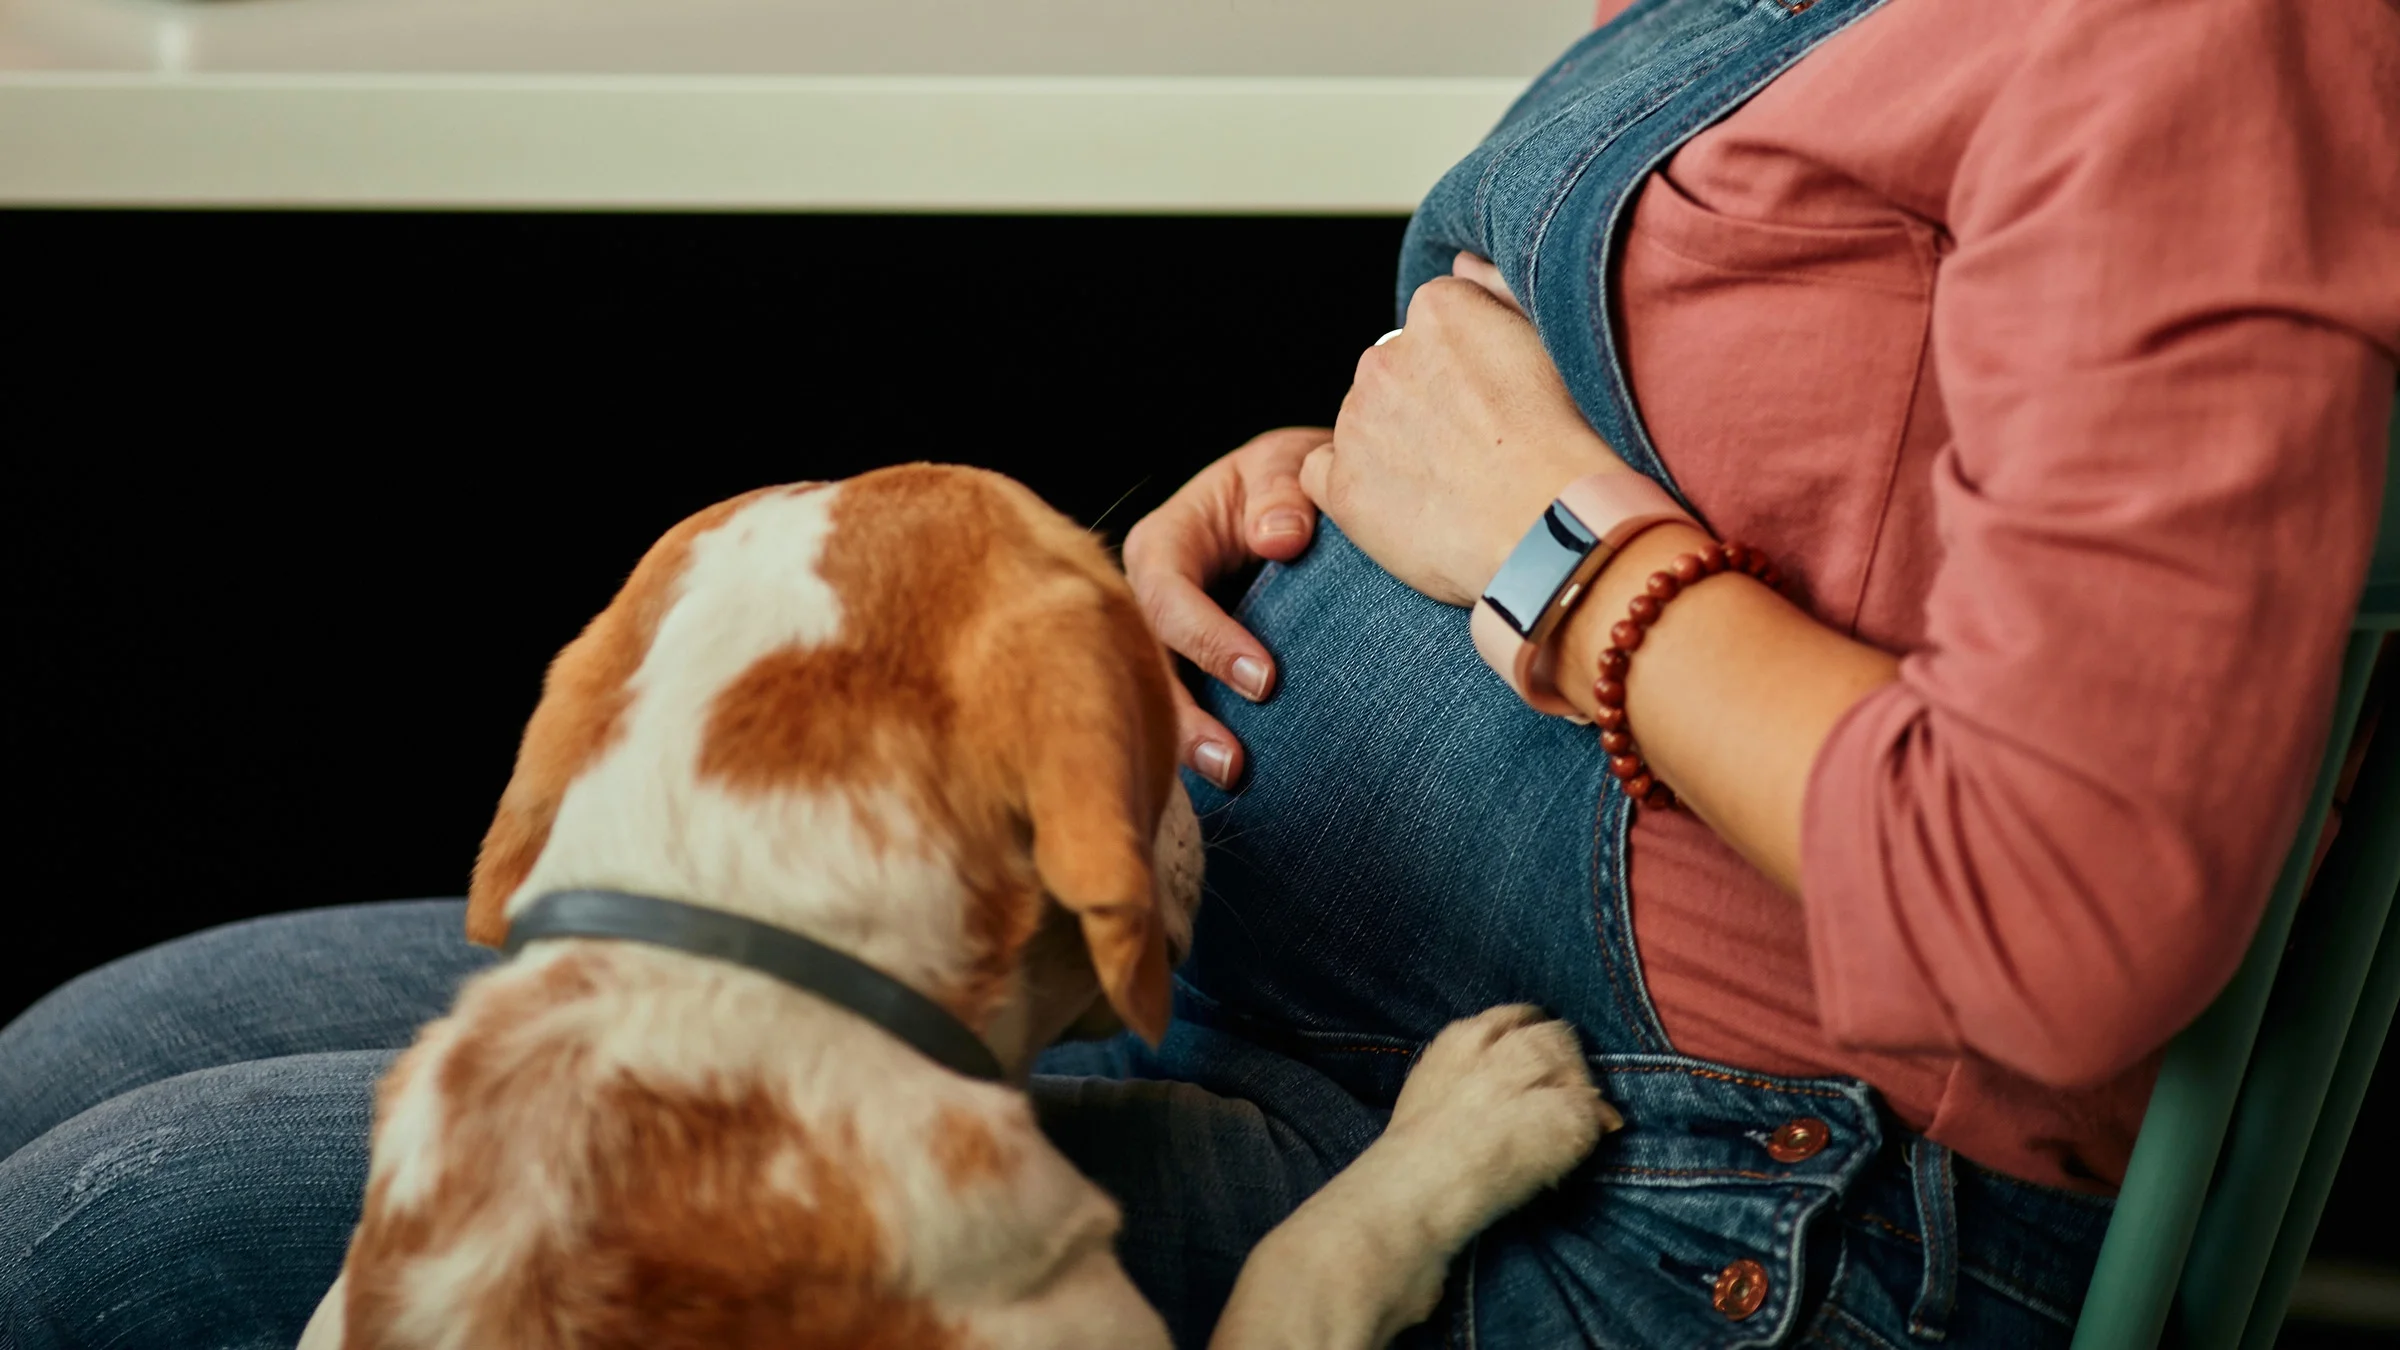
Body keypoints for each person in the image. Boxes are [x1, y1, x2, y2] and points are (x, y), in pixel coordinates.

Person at [5, 0, 2395, 1345]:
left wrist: (1556, 556)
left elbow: (2065, 913)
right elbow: (1767, 472)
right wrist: (1336, 507)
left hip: (1695, 1198)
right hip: (1216, 1001)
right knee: (68, 1070)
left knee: (130, 1229)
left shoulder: (2200, 38)